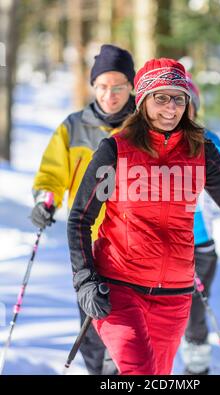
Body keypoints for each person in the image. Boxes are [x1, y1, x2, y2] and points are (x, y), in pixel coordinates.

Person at [67, 58, 220, 375]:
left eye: (178, 98)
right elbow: (80, 219)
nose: (170, 107)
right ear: (143, 101)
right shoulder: (116, 150)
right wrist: (84, 282)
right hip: (119, 288)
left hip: (175, 298)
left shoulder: (201, 150)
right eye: (161, 97)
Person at [30, 44, 135, 375]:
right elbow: (52, 173)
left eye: (118, 86)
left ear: (131, 86)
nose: (110, 94)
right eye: (103, 86)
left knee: (126, 331)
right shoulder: (73, 127)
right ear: (93, 86)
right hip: (87, 241)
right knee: (90, 323)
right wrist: (46, 200)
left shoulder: (143, 127)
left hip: (131, 242)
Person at [181, 73, 220, 375]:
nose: (179, 108)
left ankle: (196, 368)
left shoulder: (210, 141)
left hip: (200, 244)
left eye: (186, 102)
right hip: (159, 247)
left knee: (195, 310)